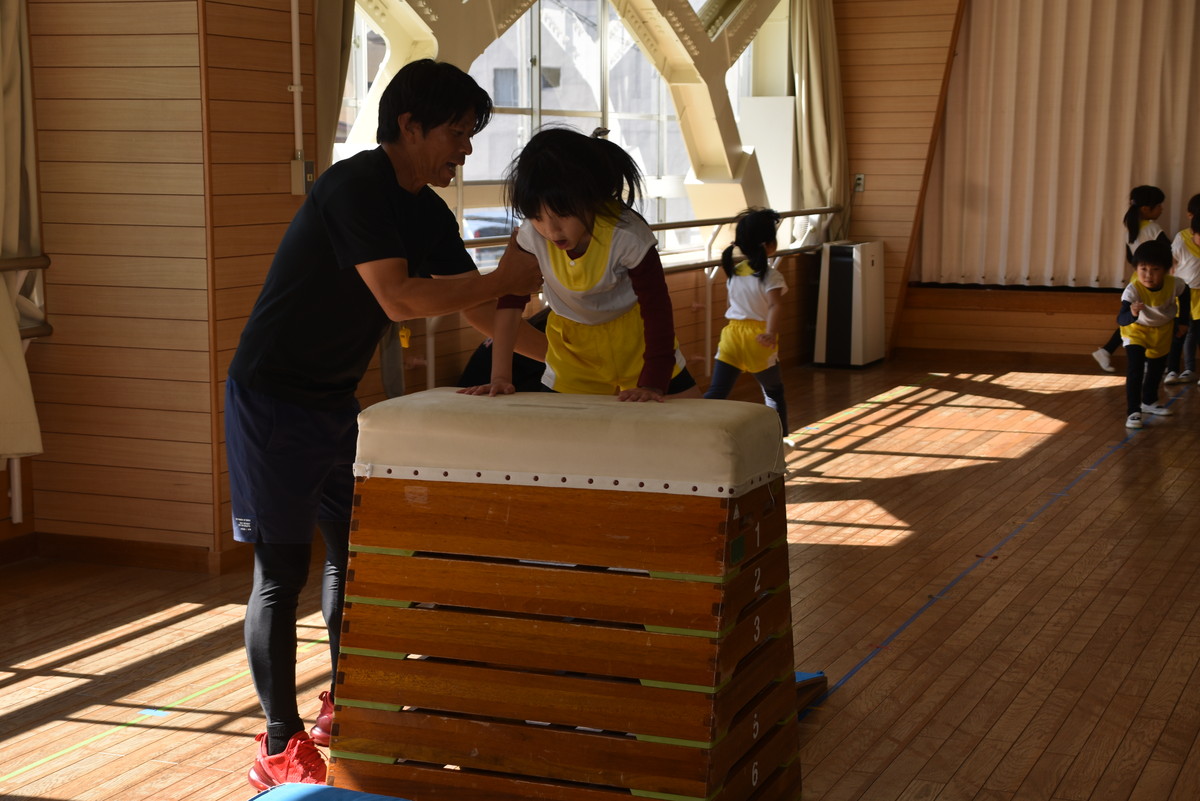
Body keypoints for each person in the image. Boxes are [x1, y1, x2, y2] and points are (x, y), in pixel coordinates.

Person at [225, 59, 542, 790]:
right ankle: (279, 740)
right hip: (271, 399)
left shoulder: (426, 212)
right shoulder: (355, 187)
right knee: (281, 574)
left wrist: (567, 362)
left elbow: (474, 308)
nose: (465, 150)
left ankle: (348, 698)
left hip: (335, 400)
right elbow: (399, 298)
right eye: (457, 133)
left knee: (353, 557)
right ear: (410, 125)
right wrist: (502, 279)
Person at [458, 126, 699, 402]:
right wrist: (500, 377)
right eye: (537, 217)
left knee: (692, 421)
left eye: (563, 215)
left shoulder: (627, 235)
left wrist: (654, 382)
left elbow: (657, 309)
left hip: (637, 342)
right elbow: (510, 305)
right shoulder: (531, 237)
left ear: (591, 198)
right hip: (573, 351)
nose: (551, 231)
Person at [702, 208, 791, 440]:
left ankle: (694, 429)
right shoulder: (771, 276)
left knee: (717, 392)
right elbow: (774, 306)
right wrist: (770, 333)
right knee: (774, 392)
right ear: (769, 245)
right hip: (758, 338)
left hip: (731, 335)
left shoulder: (735, 272)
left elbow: (732, 304)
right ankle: (778, 440)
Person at [1093, 185, 1170, 372]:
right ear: (1146, 209)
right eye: (1158, 205)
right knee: (1144, 320)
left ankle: (1107, 351)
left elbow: (1131, 258)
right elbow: (1169, 252)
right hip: (1152, 280)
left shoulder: (1131, 230)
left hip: (1139, 277)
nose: (1161, 209)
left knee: (1138, 319)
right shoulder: (1153, 228)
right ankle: (1146, 360)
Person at [1119, 239, 1189, 429]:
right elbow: (1121, 319)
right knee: (1135, 369)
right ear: (1136, 269)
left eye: (1155, 269)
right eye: (1143, 269)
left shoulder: (1175, 284)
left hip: (1162, 329)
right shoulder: (1133, 289)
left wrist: (1183, 321)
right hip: (1136, 330)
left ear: (1166, 270)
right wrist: (1133, 313)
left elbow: (1185, 293)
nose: (1148, 275)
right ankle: (1133, 411)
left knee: (1157, 368)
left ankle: (1149, 401)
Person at [1164, 195, 1200, 384]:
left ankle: (1190, 369)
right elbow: (1172, 264)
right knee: (1179, 332)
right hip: (1184, 293)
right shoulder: (1182, 237)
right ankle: (1172, 370)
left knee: (1195, 332)